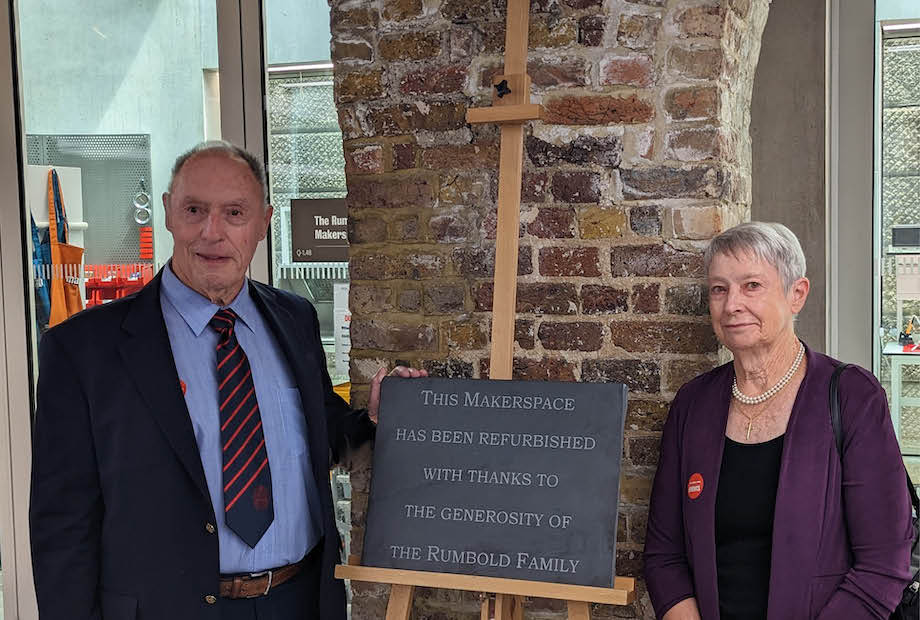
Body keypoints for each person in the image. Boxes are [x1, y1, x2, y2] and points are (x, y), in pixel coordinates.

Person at [29, 140, 425, 620]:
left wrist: (374, 419)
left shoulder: (294, 319)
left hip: (297, 600)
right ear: (168, 214)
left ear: (263, 223)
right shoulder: (84, 350)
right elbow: (63, 524)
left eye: (235, 213)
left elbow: (315, 437)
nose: (212, 233)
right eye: (194, 209)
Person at [644, 222, 914, 619]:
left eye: (751, 285)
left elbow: (883, 567)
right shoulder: (693, 405)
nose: (731, 303)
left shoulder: (853, 396)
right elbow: (664, 555)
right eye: (719, 289)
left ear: (796, 294)